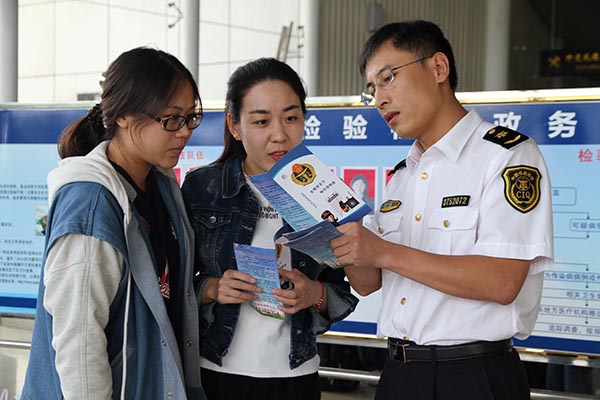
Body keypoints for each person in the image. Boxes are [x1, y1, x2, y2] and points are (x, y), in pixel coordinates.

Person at [330, 20, 554, 400]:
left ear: (438, 68)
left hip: (472, 375)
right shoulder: (403, 175)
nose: (380, 99)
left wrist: (383, 251)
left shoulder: (508, 156)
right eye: (371, 90)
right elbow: (368, 283)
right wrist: (337, 229)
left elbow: (502, 282)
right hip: (399, 373)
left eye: (387, 79)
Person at [21, 47, 206, 400]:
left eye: (190, 117)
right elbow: (79, 344)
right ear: (123, 116)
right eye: (171, 119)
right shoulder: (91, 204)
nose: (184, 132)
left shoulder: (160, 185)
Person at [181, 57, 358, 400]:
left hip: (296, 376)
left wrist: (314, 294)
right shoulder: (203, 188)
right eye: (261, 121)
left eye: (291, 118)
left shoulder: (324, 193)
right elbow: (171, 281)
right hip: (217, 371)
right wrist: (212, 288)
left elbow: (342, 292)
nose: (279, 135)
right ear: (235, 126)